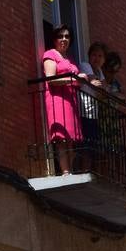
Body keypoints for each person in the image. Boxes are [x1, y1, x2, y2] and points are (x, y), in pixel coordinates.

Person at [42, 25, 85, 175]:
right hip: (58, 100)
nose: (64, 39)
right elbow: (50, 79)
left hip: (70, 101)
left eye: (67, 36)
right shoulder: (50, 54)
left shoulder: (69, 59)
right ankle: (66, 172)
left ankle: (70, 170)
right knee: (61, 138)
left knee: (71, 140)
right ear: (54, 39)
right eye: (60, 36)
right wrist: (74, 79)